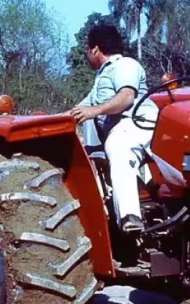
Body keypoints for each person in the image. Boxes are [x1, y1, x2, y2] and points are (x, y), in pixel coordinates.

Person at [68, 24, 159, 233]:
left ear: (95, 49)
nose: (87, 55)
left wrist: (94, 111)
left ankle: (130, 216)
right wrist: (45, 121)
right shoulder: (102, 78)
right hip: (126, 129)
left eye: (87, 50)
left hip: (138, 123)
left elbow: (126, 97)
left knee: (118, 146)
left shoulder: (125, 65)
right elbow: (79, 110)